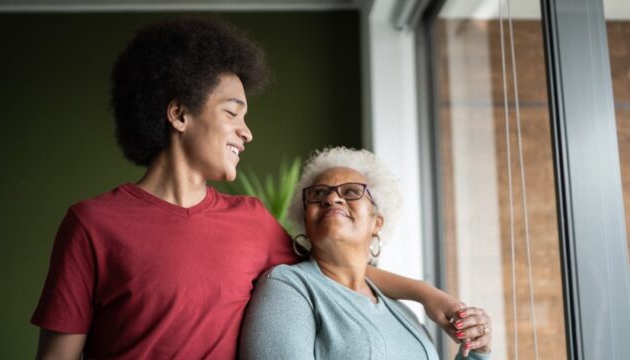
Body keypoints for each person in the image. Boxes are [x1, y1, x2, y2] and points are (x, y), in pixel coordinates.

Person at [32, 17, 466, 359]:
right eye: (233, 113)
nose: (247, 132)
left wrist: (427, 296)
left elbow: (337, 269)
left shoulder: (251, 220)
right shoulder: (92, 224)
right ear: (179, 115)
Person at [240, 147, 492, 359]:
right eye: (318, 194)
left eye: (350, 192)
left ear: (377, 222)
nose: (331, 199)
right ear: (305, 221)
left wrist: (477, 351)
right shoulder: (289, 286)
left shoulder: (401, 312)